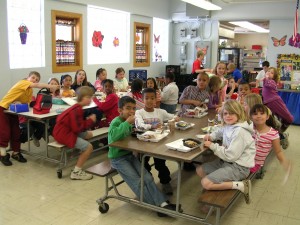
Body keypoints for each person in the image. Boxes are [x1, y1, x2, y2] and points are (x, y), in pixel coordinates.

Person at [108, 96, 179, 217]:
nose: (131, 111)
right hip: (118, 159)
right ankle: (158, 206)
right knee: (138, 182)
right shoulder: (116, 122)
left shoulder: (129, 122)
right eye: (128, 108)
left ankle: (162, 203)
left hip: (129, 155)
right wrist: (127, 123)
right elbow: (113, 138)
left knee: (147, 178)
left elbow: (130, 135)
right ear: (120, 110)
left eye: (133, 108)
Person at [196, 100, 255, 204]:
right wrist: (211, 136)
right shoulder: (230, 125)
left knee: (205, 182)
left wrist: (213, 146)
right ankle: (213, 189)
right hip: (227, 162)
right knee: (200, 170)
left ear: (239, 113)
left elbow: (230, 155)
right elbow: (220, 131)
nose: (228, 116)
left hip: (239, 167)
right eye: (225, 113)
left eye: (232, 113)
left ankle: (241, 186)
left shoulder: (240, 132)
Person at [0, 71, 59, 166]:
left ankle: (16, 153)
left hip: (14, 111)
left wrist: (23, 103)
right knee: (4, 132)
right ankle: (2, 154)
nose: (35, 80)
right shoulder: (23, 82)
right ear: (28, 77)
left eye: (37, 79)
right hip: (3, 108)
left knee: (16, 132)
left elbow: (26, 103)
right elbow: (38, 85)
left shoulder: (29, 90)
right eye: (33, 77)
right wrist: (50, 87)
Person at [135, 88, 179, 195]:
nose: (149, 101)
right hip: (143, 144)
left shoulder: (160, 112)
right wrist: (152, 125)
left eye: (152, 98)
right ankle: (149, 182)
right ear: (142, 99)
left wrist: (176, 118)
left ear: (156, 99)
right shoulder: (139, 112)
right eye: (147, 98)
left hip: (158, 144)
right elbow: (139, 125)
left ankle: (165, 182)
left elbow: (173, 117)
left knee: (160, 164)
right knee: (143, 164)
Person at [53, 86, 96, 180]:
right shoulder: (77, 110)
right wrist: (90, 121)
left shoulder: (77, 107)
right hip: (64, 134)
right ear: (82, 98)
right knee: (89, 147)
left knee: (89, 134)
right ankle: (77, 171)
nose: (90, 100)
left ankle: (79, 151)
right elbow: (77, 128)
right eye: (88, 98)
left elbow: (77, 126)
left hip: (64, 132)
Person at [249, 104, 291, 175]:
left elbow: (278, 152)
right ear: (251, 117)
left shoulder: (273, 134)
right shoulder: (250, 128)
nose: (258, 116)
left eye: (262, 113)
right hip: (244, 159)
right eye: (255, 114)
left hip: (255, 164)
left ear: (267, 117)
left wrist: (284, 162)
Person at [262, 67, 294, 148]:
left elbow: (271, 85)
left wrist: (267, 78)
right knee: (272, 122)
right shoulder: (266, 81)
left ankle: (282, 133)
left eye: (272, 73)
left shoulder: (271, 82)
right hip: (268, 104)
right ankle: (280, 135)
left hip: (275, 102)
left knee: (289, 118)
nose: (269, 73)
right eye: (268, 71)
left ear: (274, 76)